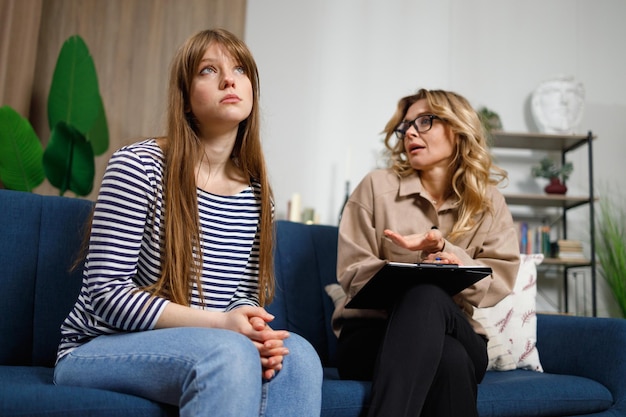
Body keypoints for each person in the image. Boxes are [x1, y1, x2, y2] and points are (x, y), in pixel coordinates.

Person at [54, 28, 322, 417]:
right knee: (228, 354)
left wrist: (252, 329)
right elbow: (107, 295)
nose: (229, 79)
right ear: (185, 97)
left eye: (240, 69)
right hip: (97, 346)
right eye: (208, 70)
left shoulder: (256, 193)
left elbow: (242, 294)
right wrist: (222, 327)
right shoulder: (138, 165)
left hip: (206, 341)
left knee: (299, 357)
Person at [331, 88, 520, 417]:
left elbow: (499, 279)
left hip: (458, 331)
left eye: (425, 121)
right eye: (405, 127)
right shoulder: (376, 187)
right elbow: (352, 272)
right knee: (449, 357)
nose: (411, 133)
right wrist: (417, 272)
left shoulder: (489, 202)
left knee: (430, 298)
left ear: (457, 128)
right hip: (370, 337)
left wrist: (448, 252)